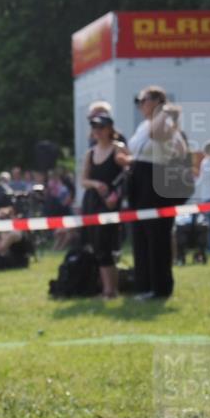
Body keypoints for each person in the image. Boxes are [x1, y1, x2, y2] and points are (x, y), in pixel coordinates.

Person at [120, 86, 188, 299]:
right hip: (139, 181)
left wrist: (164, 111)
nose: (140, 104)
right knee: (140, 236)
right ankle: (144, 285)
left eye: (144, 99)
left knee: (157, 236)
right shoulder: (142, 125)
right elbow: (137, 149)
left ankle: (160, 288)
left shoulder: (165, 122)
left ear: (157, 101)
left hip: (156, 184)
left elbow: (156, 135)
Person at [80, 112, 127, 298]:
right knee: (97, 245)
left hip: (110, 204)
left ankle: (110, 289)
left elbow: (127, 174)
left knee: (105, 244)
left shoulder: (118, 149)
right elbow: (83, 180)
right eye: (94, 128)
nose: (97, 131)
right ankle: (107, 288)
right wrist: (96, 184)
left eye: (101, 127)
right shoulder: (90, 153)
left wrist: (115, 194)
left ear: (109, 129)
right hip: (93, 202)